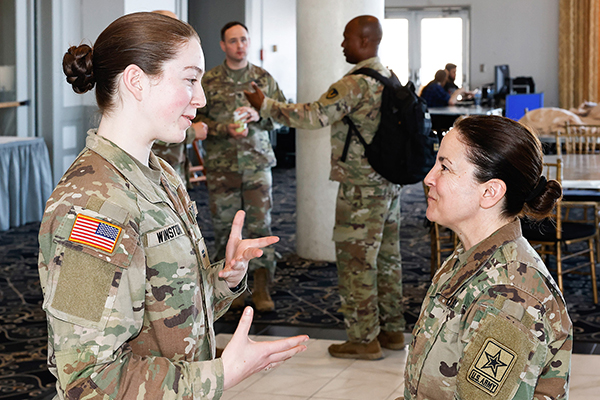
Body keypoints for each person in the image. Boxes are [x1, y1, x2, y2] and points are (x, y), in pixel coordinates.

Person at [38, 12, 308, 399]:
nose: (200, 98)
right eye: (189, 79)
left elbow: (162, 314)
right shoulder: (94, 207)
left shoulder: (159, 173)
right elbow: (87, 380)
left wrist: (222, 279)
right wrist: (221, 374)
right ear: (136, 82)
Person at [245, 15, 406, 360]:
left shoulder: (354, 84)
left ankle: (364, 340)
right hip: (388, 184)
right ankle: (392, 331)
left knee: (357, 263)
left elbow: (314, 115)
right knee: (389, 260)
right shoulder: (390, 76)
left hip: (361, 189)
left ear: (364, 41)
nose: (342, 45)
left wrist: (266, 106)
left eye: (346, 38)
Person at [404, 115, 572, 399]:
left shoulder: (507, 296)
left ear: (490, 191)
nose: (428, 178)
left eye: (444, 167)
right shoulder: (470, 257)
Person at [195, 21, 287, 312]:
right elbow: (196, 121)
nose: (239, 45)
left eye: (244, 39)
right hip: (222, 166)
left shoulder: (262, 78)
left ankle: (262, 288)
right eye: (233, 41)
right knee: (224, 228)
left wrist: (259, 115)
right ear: (223, 46)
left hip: (256, 165)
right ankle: (231, 290)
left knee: (260, 225)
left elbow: (282, 116)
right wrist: (225, 128)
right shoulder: (208, 81)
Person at [150, 10, 209, 188]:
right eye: (190, 80)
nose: (200, 100)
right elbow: (147, 122)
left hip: (172, 168)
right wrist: (192, 132)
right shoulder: (150, 76)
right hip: (155, 173)